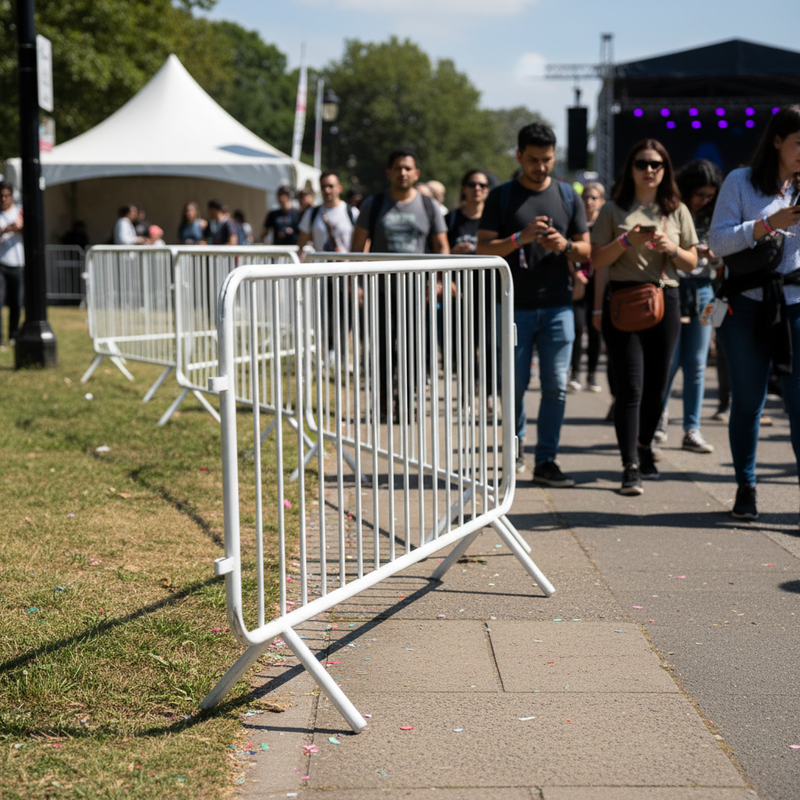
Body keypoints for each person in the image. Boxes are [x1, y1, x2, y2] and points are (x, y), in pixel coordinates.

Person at [477, 122, 590, 488]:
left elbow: (587, 249)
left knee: (557, 386)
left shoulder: (568, 195)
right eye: (533, 160)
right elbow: (483, 249)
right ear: (519, 156)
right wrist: (519, 238)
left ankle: (547, 460)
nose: (541, 167)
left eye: (547, 159)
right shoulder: (502, 197)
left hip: (559, 306)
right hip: (513, 307)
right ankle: (515, 448)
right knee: (514, 385)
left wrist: (565, 246)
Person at [591, 139, 699, 496]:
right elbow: (597, 261)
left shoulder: (676, 210)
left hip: (665, 299)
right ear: (631, 169)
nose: (649, 170)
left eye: (656, 164)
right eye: (641, 164)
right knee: (630, 388)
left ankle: (643, 446)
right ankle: (630, 465)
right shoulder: (612, 209)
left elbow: (692, 262)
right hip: (623, 300)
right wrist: (626, 242)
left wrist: (673, 248)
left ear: (666, 169)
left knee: (657, 387)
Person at [709, 105, 800, 521]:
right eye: (799, 143)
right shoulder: (740, 181)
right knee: (748, 402)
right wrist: (768, 223)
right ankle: (745, 486)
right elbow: (718, 243)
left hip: (795, 304)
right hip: (745, 304)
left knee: (798, 405)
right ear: (777, 141)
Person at [351, 147, 449, 421]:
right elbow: (357, 248)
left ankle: (406, 401)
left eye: (408, 168)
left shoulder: (428, 206)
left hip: (416, 292)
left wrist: (438, 281)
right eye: (398, 168)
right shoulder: (374, 204)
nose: (403, 173)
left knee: (412, 348)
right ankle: (384, 400)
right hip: (380, 291)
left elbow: (442, 246)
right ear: (389, 172)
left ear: (416, 173)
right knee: (382, 348)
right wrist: (356, 284)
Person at [655, 160, 723, 454]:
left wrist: (714, 254)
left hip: (706, 292)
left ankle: (691, 429)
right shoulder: (672, 211)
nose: (704, 201)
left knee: (697, 363)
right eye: (700, 195)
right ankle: (658, 420)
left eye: (710, 196)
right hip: (674, 289)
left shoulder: (716, 215)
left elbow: (724, 257)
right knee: (669, 362)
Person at [569, 182, 605, 393]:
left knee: (595, 330)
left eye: (593, 198)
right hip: (578, 283)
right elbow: (567, 250)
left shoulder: (604, 225)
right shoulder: (576, 223)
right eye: (585, 197)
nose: (589, 201)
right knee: (576, 327)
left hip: (598, 284)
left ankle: (591, 375)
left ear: (601, 201)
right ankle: (574, 373)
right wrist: (575, 275)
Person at [297, 171, 358, 253]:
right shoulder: (311, 213)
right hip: (320, 261)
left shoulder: (353, 212)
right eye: (323, 187)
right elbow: (301, 243)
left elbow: (363, 242)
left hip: (346, 261)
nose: (327, 190)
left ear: (340, 188)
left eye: (330, 186)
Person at [0, 181, 24, 345]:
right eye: (1, 196)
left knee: (16, 302)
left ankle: (13, 335)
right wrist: (5, 230)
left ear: (11, 196)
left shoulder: (19, 212)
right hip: (1, 264)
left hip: (17, 263)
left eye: (7, 196)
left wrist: (19, 228)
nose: (4, 199)